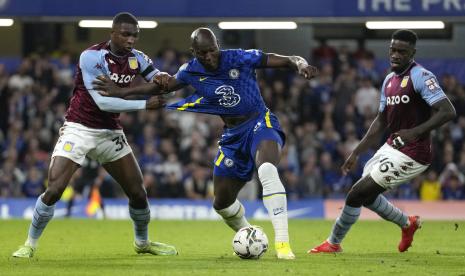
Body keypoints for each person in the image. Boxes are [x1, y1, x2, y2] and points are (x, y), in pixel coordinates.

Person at [93, 27, 318, 259]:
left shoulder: (238, 57)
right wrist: (121, 92)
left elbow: (289, 59)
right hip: (232, 136)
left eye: (212, 51)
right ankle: (250, 235)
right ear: (194, 52)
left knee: (267, 169)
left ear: (218, 45)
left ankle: (283, 245)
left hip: (260, 122)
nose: (208, 57)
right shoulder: (190, 71)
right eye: (202, 53)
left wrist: (301, 65)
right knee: (221, 203)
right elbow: (163, 86)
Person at [12, 12, 177, 258]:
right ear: (112, 33)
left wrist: (164, 81)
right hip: (79, 127)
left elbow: (164, 87)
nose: (131, 40)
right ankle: (30, 244)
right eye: (125, 34)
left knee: (138, 193)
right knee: (55, 188)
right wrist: (145, 104)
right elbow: (103, 103)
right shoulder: (92, 57)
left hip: (110, 132)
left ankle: (142, 243)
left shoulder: (138, 59)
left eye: (135, 35)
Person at [309, 29, 456, 254]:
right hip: (392, 146)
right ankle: (408, 224)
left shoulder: (421, 76)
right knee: (366, 197)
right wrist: (356, 151)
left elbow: (448, 111)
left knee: (356, 194)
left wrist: (415, 132)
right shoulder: (388, 80)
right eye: (392, 50)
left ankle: (333, 243)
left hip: (415, 152)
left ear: (412, 53)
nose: (395, 55)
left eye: (401, 51)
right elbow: (380, 121)